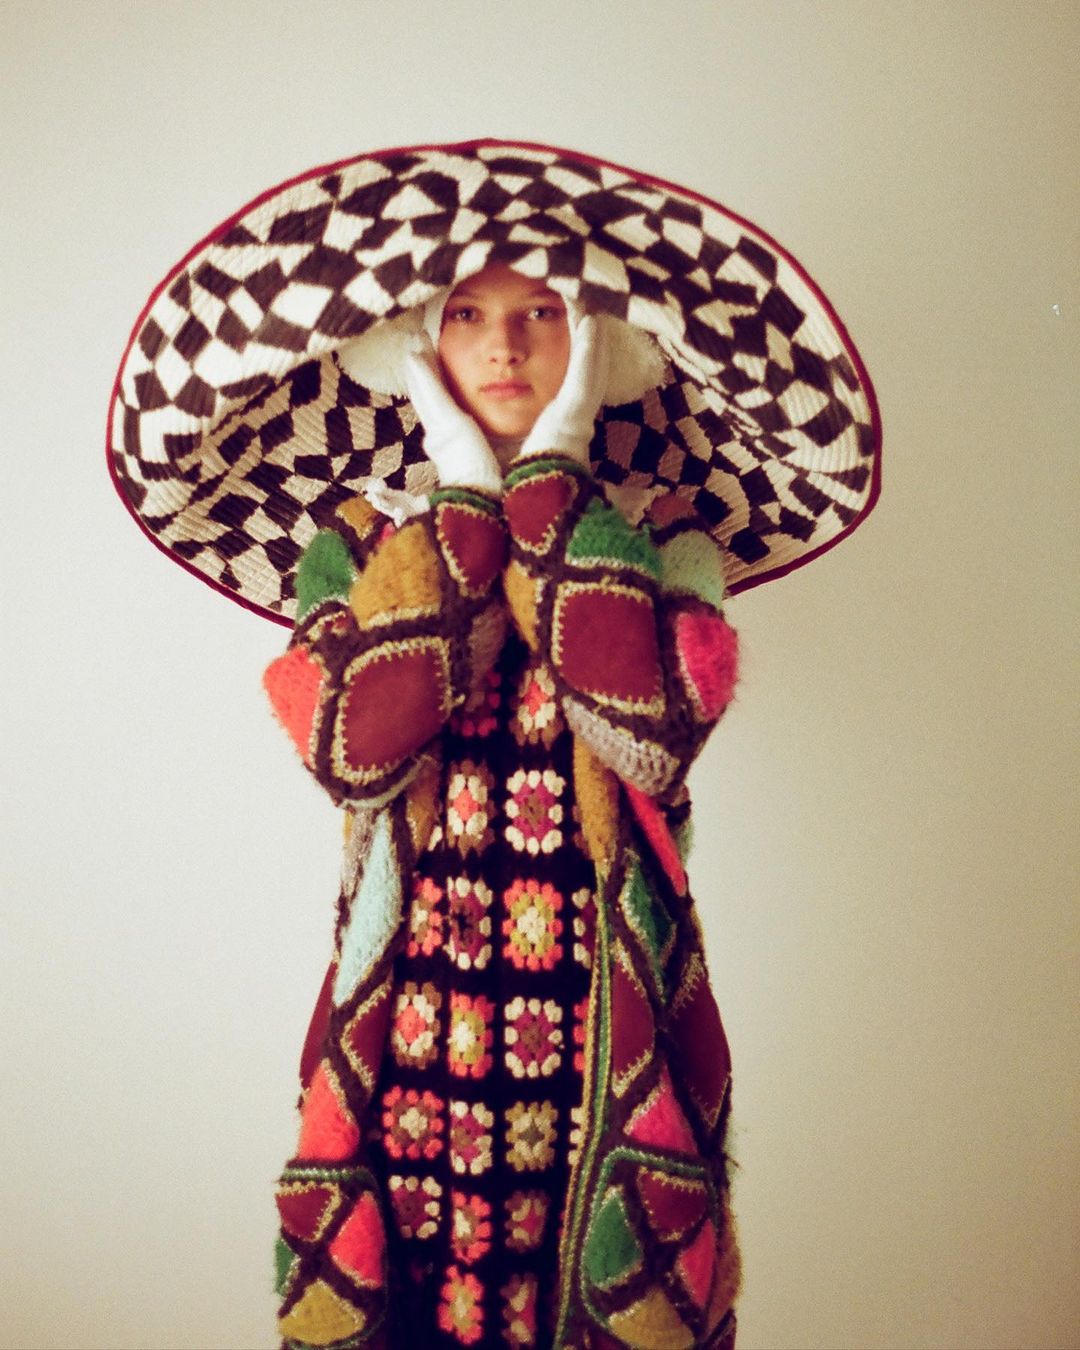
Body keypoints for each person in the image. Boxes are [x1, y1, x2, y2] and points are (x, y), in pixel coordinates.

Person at [264, 261, 742, 1349]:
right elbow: (351, 752)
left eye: (542, 314)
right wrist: (468, 505)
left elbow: (654, 735)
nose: (504, 346)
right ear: (415, 343)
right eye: (467, 316)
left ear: (601, 341)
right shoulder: (356, 538)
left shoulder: (667, 529)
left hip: (604, 1013)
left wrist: (551, 488)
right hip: (407, 1020)